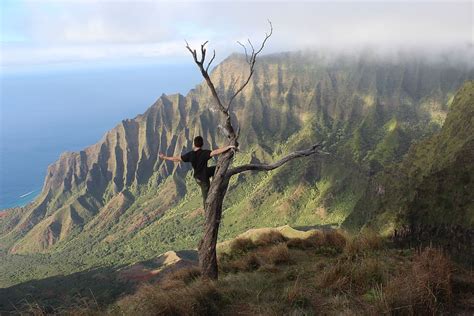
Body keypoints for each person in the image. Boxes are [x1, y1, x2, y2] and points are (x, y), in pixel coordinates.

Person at [159, 136, 235, 207]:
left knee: (218, 168)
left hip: (198, 177)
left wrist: (165, 157)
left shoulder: (191, 155)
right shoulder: (205, 153)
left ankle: (217, 180)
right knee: (207, 198)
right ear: (202, 144)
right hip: (203, 179)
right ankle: (207, 212)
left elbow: (177, 159)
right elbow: (216, 151)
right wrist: (228, 147)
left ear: (194, 144)